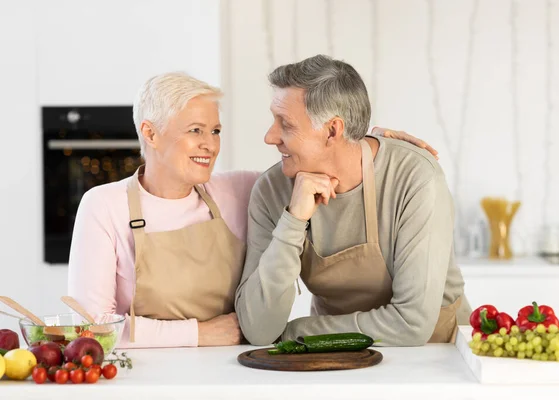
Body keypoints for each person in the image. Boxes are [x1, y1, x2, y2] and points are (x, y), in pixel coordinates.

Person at [67, 71, 436, 348]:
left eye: (215, 131)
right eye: (196, 130)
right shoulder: (104, 206)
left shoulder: (239, 189)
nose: (210, 145)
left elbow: (323, 157)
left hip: (234, 369)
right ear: (150, 133)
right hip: (143, 376)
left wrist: (368, 143)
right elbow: (89, 329)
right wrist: (198, 333)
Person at [235, 55, 471, 347]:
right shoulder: (271, 191)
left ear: (333, 130)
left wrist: (299, 333)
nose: (270, 137)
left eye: (286, 124)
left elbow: (412, 324)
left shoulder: (414, 177)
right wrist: (293, 221)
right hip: (334, 356)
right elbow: (258, 330)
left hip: (436, 355)